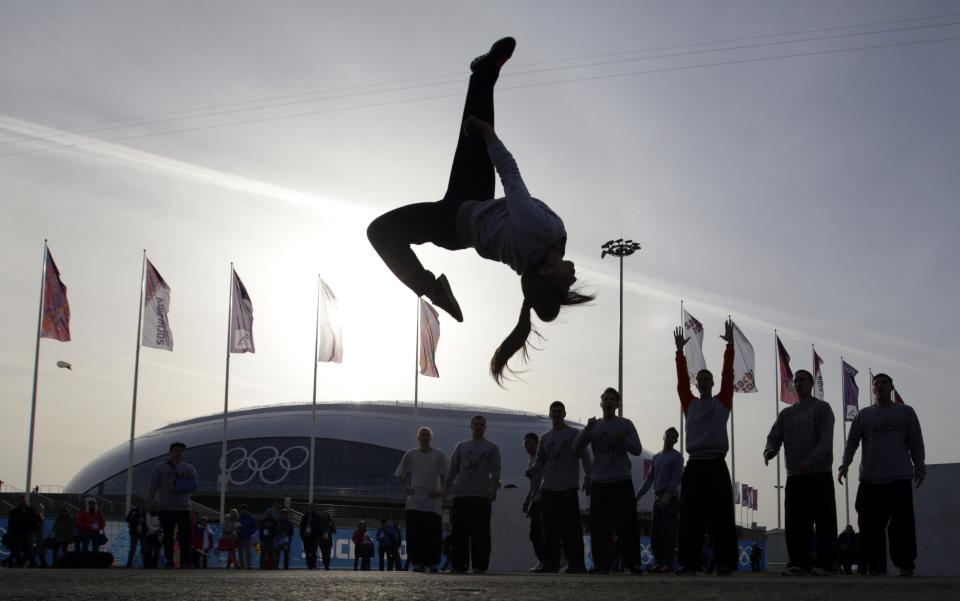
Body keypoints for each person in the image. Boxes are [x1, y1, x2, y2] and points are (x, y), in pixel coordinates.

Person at [366, 37, 592, 384]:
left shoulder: (539, 234)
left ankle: (430, 288)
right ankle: (483, 73)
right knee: (471, 124)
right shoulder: (543, 251)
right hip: (474, 202)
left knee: (379, 231)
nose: (574, 276)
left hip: (452, 222)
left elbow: (511, 175)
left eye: (567, 282)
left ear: (547, 273)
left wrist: (490, 135)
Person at [838, 372, 925, 577]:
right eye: (876, 384)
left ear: (891, 387)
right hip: (870, 479)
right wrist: (844, 464)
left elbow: (916, 441)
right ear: (873, 389)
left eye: (884, 383)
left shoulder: (906, 412)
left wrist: (920, 467)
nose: (880, 386)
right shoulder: (864, 415)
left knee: (902, 525)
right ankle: (874, 565)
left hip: (899, 477)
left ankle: (905, 564)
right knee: (869, 526)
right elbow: (852, 442)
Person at [673, 319, 739, 575]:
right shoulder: (689, 403)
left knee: (722, 516)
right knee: (691, 517)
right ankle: (689, 564)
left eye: (706, 378)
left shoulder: (723, 401)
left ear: (712, 384)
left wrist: (730, 346)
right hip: (696, 465)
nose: (702, 381)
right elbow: (680, 382)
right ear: (696, 384)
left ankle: (726, 563)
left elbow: (728, 374)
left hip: (716, 464)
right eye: (699, 378)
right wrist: (679, 352)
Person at [763, 369, 837, 576]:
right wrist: (770, 449)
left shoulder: (822, 408)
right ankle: (798, 562)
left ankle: (824, 564)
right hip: (795, 476)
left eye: (802, 380)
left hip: (819, 473)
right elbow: (774, 435)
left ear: (811, 383)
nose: (798, 383)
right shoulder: (786, 414)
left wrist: (812, 461)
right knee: (795, 522)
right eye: (795, 381)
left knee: (824, 521)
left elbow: (826, 441)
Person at [574, 388, 642, 574]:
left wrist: (624, 439)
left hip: (621, 480)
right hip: (600, 482)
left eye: (613, 399)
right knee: (599, 527)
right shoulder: (594, 426)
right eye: (606, 399)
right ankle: (602, 565)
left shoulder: (626, 424)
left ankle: (633, 563)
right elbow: (576, 447)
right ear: (601, 403)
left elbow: (637, 449)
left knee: (627, 525)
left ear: (617, 404)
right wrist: (586, 430)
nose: (609, 402)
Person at [530, 401, 592, 573]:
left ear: (564, 413)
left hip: (567, 488)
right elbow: (540, 460)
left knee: (571, 529)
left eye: (559, 411)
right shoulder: (544, 438)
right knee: (549, 530)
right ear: (549, 414)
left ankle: (576, 564)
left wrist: (588, 477)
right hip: (548, 489)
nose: (556, 414)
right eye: (553, 411)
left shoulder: (574, 434)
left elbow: (585, 456)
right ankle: (551, 564)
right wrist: (533, 470)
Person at [442, 415, 502, 573]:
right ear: (471, 426)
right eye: (476, 424)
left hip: (481, 496)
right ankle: (459, 565)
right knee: (459, 533)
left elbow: (496, 471)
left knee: (481, 533)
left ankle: (480, 566)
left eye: (481, 424)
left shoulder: (492, 448)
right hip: (462, 495)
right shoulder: (461, 446)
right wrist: (446, 487)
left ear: (485, 427)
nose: (478, 427)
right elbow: (453, 468)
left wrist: (494, 489)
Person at [395, 426, 449, 573]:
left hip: (432, 502)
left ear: (431, 438)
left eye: (427, 435)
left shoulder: (439, 455)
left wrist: (442, 491)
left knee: (433, 534)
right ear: (418, 438)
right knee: (415, 534)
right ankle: (418, 562)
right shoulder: (411, 454)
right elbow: (399, 473)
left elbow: (450, 475)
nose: (425, 437)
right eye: (422, 435)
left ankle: (432, 563)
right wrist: (405, 487)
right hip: (415, 501)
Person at [637, 427, 683, 574]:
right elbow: (650, 478)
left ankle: (668, 563)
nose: (669, 439)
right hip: (657, 498)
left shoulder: (677, 457)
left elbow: (676, 478)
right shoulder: (656, 457)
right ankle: (659, 562)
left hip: (670, 499)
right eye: (668, 436)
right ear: (663, 437)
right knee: (655, 533)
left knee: (667, 531)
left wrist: (667, 496)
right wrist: (639, 495)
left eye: (673, 437)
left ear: (676, 441)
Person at [146, 441, 198, 569]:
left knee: (185, 536)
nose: (178, 453)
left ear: (184, 453)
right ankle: (169, 561)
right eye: (175, 450)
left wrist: (178, 487)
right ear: (170, 452)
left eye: (181, 451)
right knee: (167, 535)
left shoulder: (189, 468)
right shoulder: (160, 467)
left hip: (183, 507)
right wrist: (150, 502)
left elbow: (194, 485)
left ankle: (186, 561)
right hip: (165, 507)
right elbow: (152, 485)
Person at [521, 432, 545, 571]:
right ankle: (542, 559)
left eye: (530, 442)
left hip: (544, 498)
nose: (527, 446)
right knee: (535, 533)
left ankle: (547, 559)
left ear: (537, 444)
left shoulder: (541, 458)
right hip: (536, 498)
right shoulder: (530, 460)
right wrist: (527, 499)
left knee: (539, 531)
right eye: (525, 443)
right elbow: (533, 484)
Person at [125, 496, 150, 568]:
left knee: (144, 549)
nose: (140, 504)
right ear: (137, 503)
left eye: (142, 502)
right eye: (139, 502)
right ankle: (129, 564)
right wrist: (136, 520)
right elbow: (127, 519)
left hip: (144, 533)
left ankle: (146, 565)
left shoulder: (146, 512)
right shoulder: (133, 511)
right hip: (134, 532)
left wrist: (144, 521)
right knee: (132, 549)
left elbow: (149, 522)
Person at [236, 504, 258, 570]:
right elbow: (236, 526)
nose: (243, 510)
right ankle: (242, 565)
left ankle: (249, 565)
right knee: (240, 553)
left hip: (247, 537)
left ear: (246, 509)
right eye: (242, 509)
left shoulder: (251, 518)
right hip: (240, 537)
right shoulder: (240, 517)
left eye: (244, 509)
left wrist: (249, 532)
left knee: (247, 552)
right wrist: (237, 530)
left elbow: (255, 527)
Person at [300, 505, 318, 570]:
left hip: (313, 537)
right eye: (311, 508)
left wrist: (317, 537)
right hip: (306, 537)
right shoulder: (304, 517)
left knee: (313, 552)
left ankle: (313, 565)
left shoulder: (317, 517)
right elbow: (301, 527)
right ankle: (309, 566)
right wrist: (302, 536)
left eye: (313, 508)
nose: (312, 509)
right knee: (307, 552)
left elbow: (319, 528)